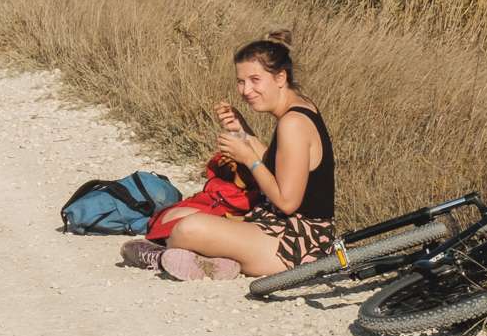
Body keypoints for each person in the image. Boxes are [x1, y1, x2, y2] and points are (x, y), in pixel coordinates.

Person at [124, 33, 336, 280]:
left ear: (280, 77)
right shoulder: (300, 108)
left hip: (296, 243)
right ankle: (217, 262)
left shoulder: (293, 124)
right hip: (277, 227)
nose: (246, 90)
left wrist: (249, 159)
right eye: (241, 81)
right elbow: (282, 166)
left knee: (186, 229)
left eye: (255, 80)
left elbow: (287, 202)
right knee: (175, 215)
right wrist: (242, 130)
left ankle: (162, 257)